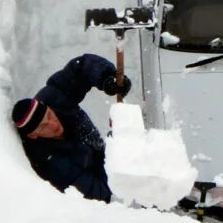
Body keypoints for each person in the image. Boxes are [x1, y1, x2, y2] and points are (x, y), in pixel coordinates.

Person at [11, 54, 132, 202]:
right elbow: (99, 194)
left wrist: (107, 78)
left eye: (49, 116)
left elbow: (81, 68)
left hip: (98, 148)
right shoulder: (52, 165)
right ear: (33, 135)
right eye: (43, 127)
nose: (53, 125)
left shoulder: (53, 97)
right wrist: (116, 158)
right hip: (99, 171)